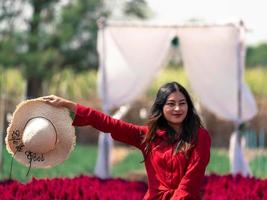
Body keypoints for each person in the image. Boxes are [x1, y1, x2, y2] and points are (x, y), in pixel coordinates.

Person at [41, 82, 211, 200]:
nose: (177, 108)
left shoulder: (200, 136)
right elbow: (110, 124)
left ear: (188, 107)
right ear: (161, 107)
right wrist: (70, 105)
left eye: (182, 103)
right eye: (171, 104)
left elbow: (192, 179)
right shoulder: (148, 137)